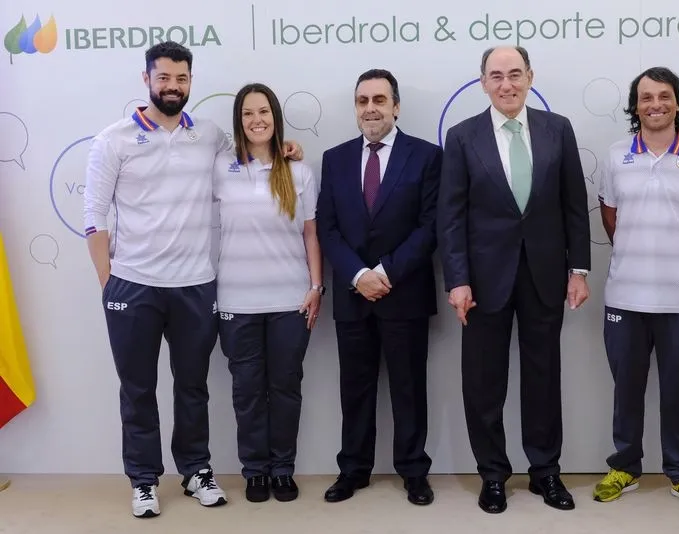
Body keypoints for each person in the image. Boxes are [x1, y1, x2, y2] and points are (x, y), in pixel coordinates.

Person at [83, 41, 301, 519]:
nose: (173, 86)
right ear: (146, 80)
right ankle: (143, 479)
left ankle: (196, 469)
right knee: (137, 388)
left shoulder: (209, 136)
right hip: (132, 285)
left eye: (181, 79)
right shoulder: (114, 139)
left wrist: (287, 148)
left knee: (193, 385)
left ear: (190, 81)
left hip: (196, 284)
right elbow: (94, 217)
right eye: (163, 78)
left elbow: (252, 154)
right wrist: (109, 281)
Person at [437, 46, 591, 514]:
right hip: (483, 282)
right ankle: (493, 474)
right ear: (483, 82)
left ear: (530, 77)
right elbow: (451, 216)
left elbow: (573, 205)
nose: (507, 84)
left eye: (515, 74)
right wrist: (457, 279)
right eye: (496, 75)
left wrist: (578, 269)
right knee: (483, 380)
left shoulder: (557, 129)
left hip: (544, 274)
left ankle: (545, 471)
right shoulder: (463, 137)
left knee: (543, 378)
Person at [594, 67, 679, 512]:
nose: (655, 104)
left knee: (677, 389)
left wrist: (677, 255)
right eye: (646, 97)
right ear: (635, 105)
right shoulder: (615, 157)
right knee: (626, 387)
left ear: (677, 102)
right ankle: (625, 466)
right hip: (625, 299)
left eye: (664, 96)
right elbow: (611, 217)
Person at [316, 69, 441, 506]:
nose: (371, 108)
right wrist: (357, 276)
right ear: (355, 107)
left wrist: (384, 273)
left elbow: (430, 227)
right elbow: (327, 229)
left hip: (403, 292)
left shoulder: (427, 157)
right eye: (362, 100)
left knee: (409, 388)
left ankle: (413, 472)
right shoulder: (334, 158)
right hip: (353, 296)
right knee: (355, 388)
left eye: (379, 100)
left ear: (396, 106)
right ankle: (353, 469)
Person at [212, 83, 322, 504]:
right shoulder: (220, 168)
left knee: (285, 387)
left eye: (264, 112)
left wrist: (316, 287)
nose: (256, 120)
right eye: (247, 114)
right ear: (238, 122)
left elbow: (312, 235)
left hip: (290, 302)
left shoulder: (298, 171)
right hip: (236, 302)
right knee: (247, 390)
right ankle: (254, 471)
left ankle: (282, 469)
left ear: (276, 117)